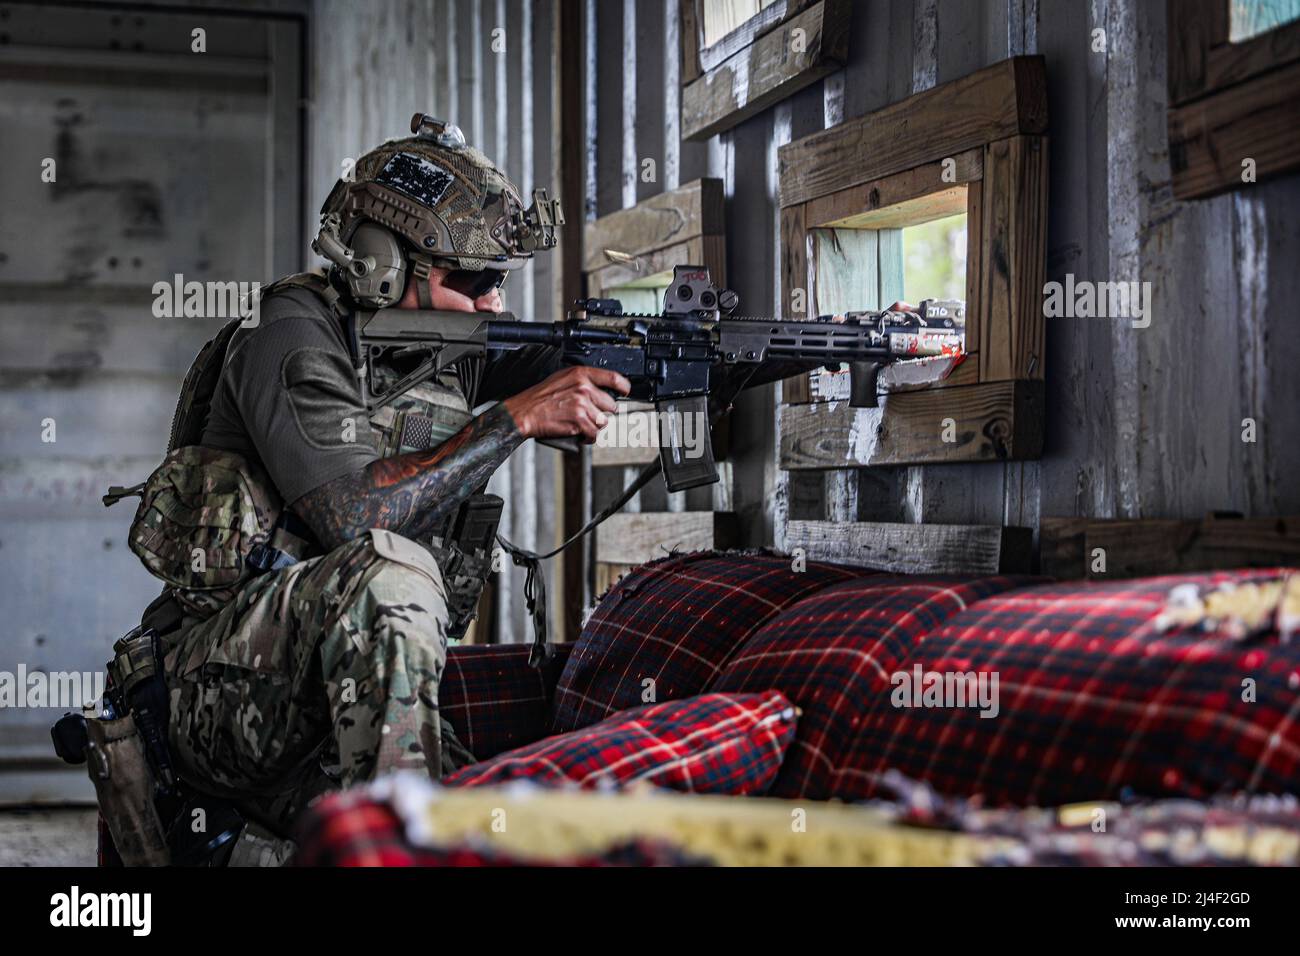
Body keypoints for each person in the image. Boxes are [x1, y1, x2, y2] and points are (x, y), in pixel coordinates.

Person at [131, 115, 627, 836]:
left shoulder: (436, 338)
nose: (495, 302)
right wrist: (511, 420)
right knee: (387, 571)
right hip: (215, 691)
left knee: (509, 830)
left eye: (501, 280)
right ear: (382, 263)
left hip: (331, 688)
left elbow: (566, 362)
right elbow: (351, 519)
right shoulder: (289, 332)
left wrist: (691, 359)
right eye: (478, 279)